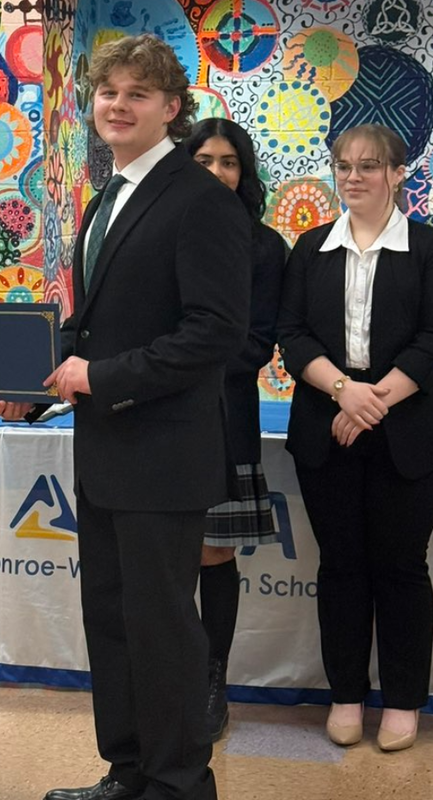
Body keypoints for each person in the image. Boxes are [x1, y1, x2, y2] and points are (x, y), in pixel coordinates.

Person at [0, 35, 251, 800]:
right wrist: (32, 383)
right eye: (108, 92)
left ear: (172, 108)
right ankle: (129, 771)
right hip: (106, 455)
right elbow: (93, 326)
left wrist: (98, 378)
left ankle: (177, 781)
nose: (118, 104)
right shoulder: (109, 197)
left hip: (163, 458)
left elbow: (213, 334)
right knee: (113, 620)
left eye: (138, 93)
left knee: (163, 629)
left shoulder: (200, 199)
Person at [277, 123, 433, 751]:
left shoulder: (426, 249)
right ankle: (346, 695)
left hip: (408, 432)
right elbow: (294, 336)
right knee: (340, 568)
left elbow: (430, 339)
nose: (354, 177)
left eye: (371, 166)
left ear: (399, 174)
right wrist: (345, 392)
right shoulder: (311, 248)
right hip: (327, 427)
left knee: (400, 570)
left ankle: (401, 700)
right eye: (344, 165)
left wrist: (373, 400)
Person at [184, 118, 287, 741]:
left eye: (228, 162)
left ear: (244, 173)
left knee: (214, 554)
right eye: (204, 161)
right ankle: (172, 680)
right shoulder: (163, 229)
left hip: (224, 418)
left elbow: (256, 344)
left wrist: (178, 366)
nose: (218, 173)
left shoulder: (265, 246)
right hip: (158, 422)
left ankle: (211, 685)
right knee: (165, 560)